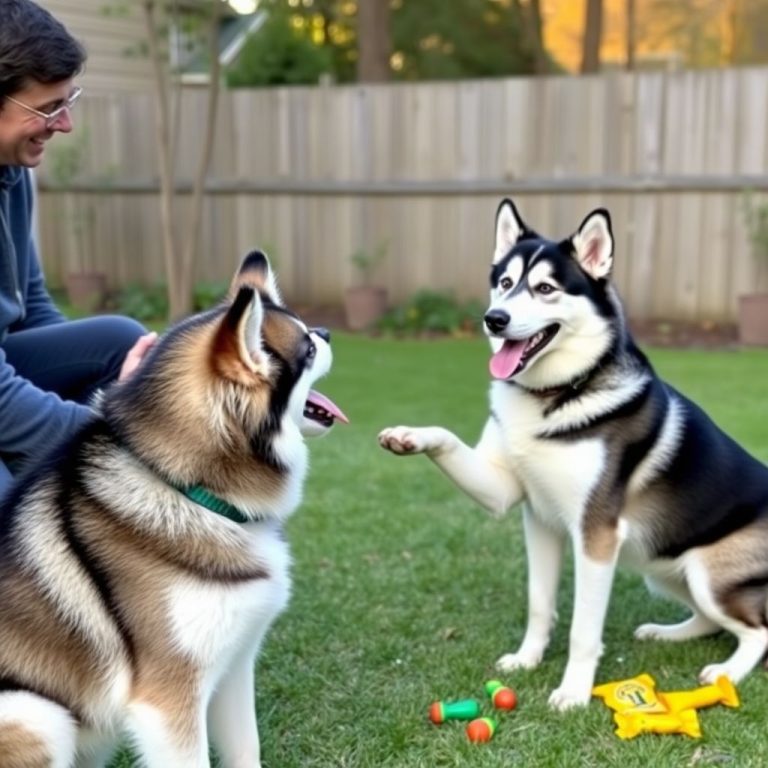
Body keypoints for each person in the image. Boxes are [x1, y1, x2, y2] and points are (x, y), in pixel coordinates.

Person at [0, 0, 156, 494]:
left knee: (121, 342)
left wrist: (121, 403)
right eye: (48, 108)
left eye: (68, 102)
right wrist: (110, 436)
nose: (65, 124)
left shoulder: (12, 173)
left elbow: (30, 307)